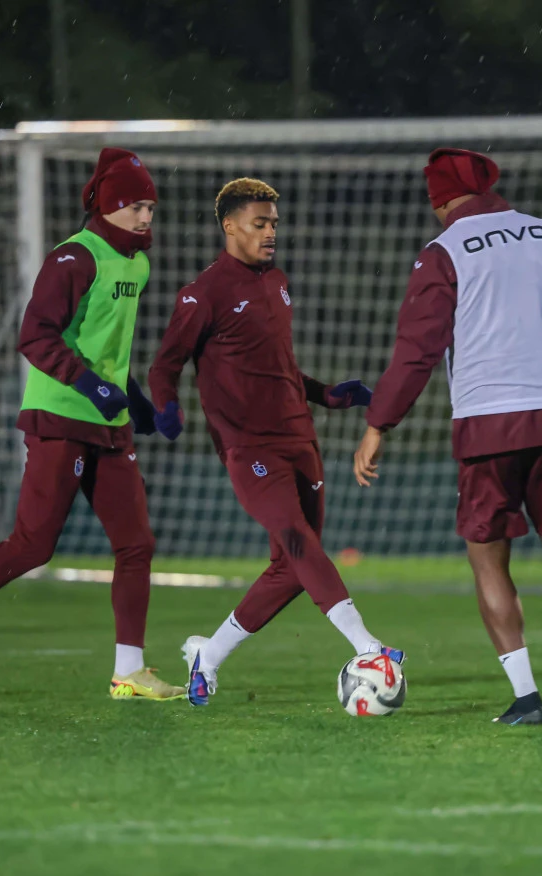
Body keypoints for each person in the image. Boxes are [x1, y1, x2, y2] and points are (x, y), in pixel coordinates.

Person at [354, 148, 542, 726]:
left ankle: (527, 698)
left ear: (441, 199)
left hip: (487, 421)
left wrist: (379, 423)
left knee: (487, 557)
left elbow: (417, 352)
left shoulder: (443, 251)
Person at [0, 148, 184, 703]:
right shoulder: (74, 257)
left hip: (107, 422)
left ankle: (129, 671)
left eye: (151, 208)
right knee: (33, 545)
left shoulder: (137, 264)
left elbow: (107, 348)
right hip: (61, 416)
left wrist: (134, 400)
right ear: (109, 205)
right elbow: (36, 335)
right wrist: (90, 386)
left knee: (136, 543)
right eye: (136, 207)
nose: (146, 217)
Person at [149, 177, 405, 706]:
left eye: (274, 224)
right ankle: (368, 645)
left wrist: (327, 394)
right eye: (259, 224)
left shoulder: (277, 281)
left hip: (299, 439)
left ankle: (208, 656)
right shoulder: (203, 294)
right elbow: (164, 366)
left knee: (291, 568)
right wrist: (167, 406)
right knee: (297, 540)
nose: (270, 233)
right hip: (249, 448)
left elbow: (281, 368)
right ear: (230, 226)